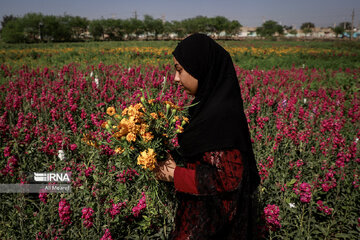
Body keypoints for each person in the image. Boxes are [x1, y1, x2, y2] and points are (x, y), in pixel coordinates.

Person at [154, 33, 261, 240]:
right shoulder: (204, 108)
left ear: (200, 68)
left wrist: (175, 174)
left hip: (217, 226)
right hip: (200, 219)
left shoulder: (222, 117)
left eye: (179, 70)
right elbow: (201, 157)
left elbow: (227, 179)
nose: (175, 78)